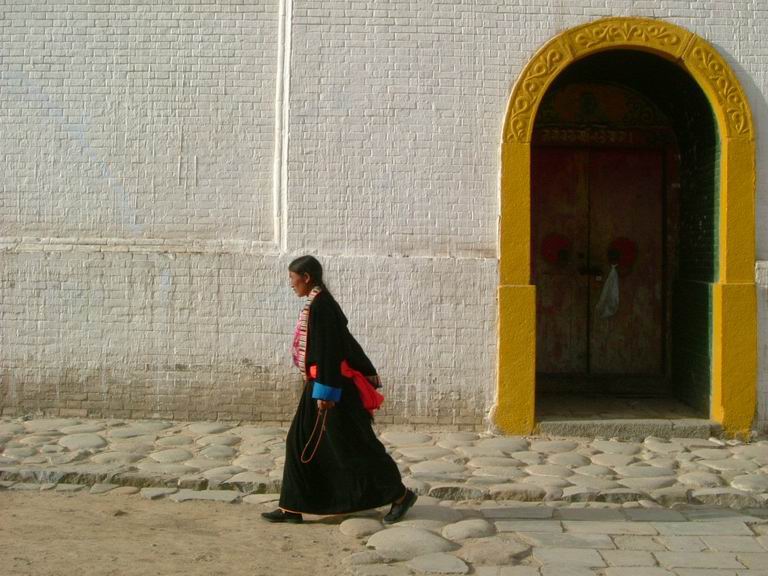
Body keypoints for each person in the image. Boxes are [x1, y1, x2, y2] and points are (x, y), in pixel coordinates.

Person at [261, 255, 417, 524]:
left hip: (332, 391)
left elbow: (329, 352)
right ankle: (292, 506)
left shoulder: (322, 306)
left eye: (292, 278)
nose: (291, 284)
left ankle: (401, 495)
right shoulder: (317, 304)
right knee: (298, 442)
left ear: (306, 277)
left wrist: (325, 394)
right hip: (318, 386)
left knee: (356, 445)